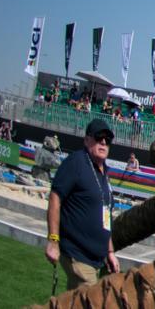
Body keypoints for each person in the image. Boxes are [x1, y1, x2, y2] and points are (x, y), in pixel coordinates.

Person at [46, 119, 121, 290]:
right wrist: (53, 240)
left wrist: (110, 252)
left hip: (96, 259)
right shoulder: (76, 162)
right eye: (99, 137)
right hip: (77, 254)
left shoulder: (104, 172)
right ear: (87, 140)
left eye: (107, 140)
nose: (103, 142)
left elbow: (106, 216)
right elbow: (55, 198)